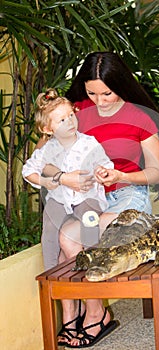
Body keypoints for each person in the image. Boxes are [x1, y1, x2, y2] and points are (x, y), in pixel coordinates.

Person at [41, 52, 159, 348]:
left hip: (127, 197)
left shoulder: (139, 116)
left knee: (86, 233)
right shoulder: (77, 111)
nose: (100, 101)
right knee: (68, 239)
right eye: (92, 93)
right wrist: (50, 114)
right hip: (91, 198)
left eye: (107, 92)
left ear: (120, 84)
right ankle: (96, 313)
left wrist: (122, 175)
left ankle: (93, 315)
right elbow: (45, 152)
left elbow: (156, 173)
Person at [22, 88, 114, 270]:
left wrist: (101, 172)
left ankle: (94, 264)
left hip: (86, 196)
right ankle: (50, 274)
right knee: (49, 228)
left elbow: (105, 164)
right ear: (47, 129)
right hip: (59, 198)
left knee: (89, 221)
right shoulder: (46, 150)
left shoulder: (89, 143)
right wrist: (45, 182)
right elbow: (28, 170)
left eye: (71, 115)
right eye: (62, 120)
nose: (70, 122)